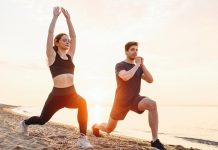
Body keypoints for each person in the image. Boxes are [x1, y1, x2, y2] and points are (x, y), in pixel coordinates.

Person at [19, 7, 92, 149]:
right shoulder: (52, 56)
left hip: (71, 94)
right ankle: (25, 123)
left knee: (82, 103)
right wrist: (55, 17)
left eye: (68, 41)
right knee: (42, 120)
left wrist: (68, 19)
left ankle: (82, 138)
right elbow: (50, 32)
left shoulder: (70, 56)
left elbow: (74, 37)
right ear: (57, 42)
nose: (68, 42)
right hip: (56, 96)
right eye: (64, 40)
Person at [92, 41, 165, 150]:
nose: (135, 52)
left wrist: (142, 65)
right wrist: (137, 65)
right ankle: (96, 126)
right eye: (132, 49)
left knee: (152, 104)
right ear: (126, 52)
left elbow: (150, 80)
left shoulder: (139, 67)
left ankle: (155, 140)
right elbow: (125, 77)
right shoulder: (120, 65)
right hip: (120, 101)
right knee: (109, 129)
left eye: (136, 50)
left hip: (135, 99)